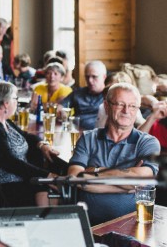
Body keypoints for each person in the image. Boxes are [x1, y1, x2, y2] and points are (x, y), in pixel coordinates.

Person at [68, 83, 161, 225]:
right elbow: (75, 178)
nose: (126, 110)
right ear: (106, 106)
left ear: (137, 110)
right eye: (120, 104)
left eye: (132, 106)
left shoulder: (147, 143)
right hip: (87, 225)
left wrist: (95, 170)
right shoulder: (88, 138)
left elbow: (143, 180)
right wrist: (129, 184)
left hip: (131, 226)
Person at [0, 81, 59, 207]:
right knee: (53, 190)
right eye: (15, 99)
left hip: (16, 178)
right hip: (3, 187)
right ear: (6, 103)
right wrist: (47, 175)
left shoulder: (2, 121)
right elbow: (10, 162)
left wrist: (42, 145)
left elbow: (26, 136)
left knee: (49, 185)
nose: (17, 102)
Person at [61, 60, 107, 130]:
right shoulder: (78, 93)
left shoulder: (108, 95)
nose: (90, 80)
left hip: (97, 134)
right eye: (87, 77)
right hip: (75, 131)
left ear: (104, 77)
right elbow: (61, 106)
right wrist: (62, 112)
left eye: (94, 77)